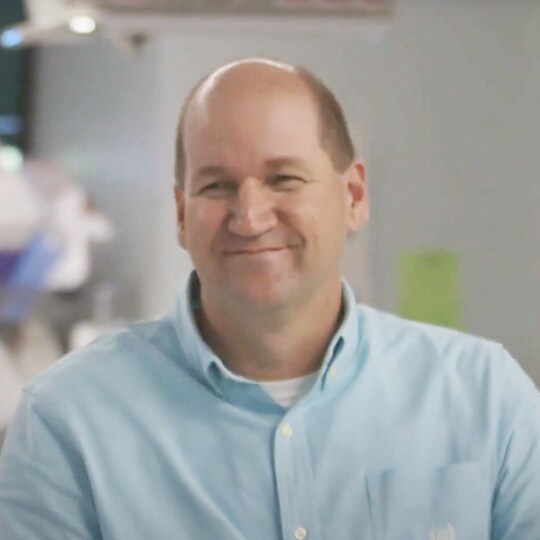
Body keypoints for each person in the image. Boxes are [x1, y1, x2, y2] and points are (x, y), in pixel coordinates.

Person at [0, 57, 539, 540]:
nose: (250, 216)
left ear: (353, 196)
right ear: (182, 214)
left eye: (283, 179)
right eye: (216, 186)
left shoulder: (484, 398)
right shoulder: (68, 421)